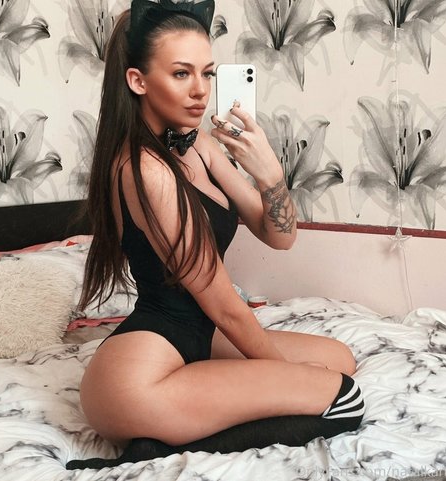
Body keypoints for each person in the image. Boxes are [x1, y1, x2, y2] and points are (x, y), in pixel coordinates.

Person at [67, 0, 364, 470]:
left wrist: (269, 173)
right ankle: (155, 446)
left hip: (197, 340)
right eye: (181, 74)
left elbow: (279, 236)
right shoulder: (145, 169)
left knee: (340, 358)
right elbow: (225, 306)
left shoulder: (199, 145)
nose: (200, 91)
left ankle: (178, 428)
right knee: (343, 399)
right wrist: (283, 376)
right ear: (138, 81)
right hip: (137, 377)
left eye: (207, 73)